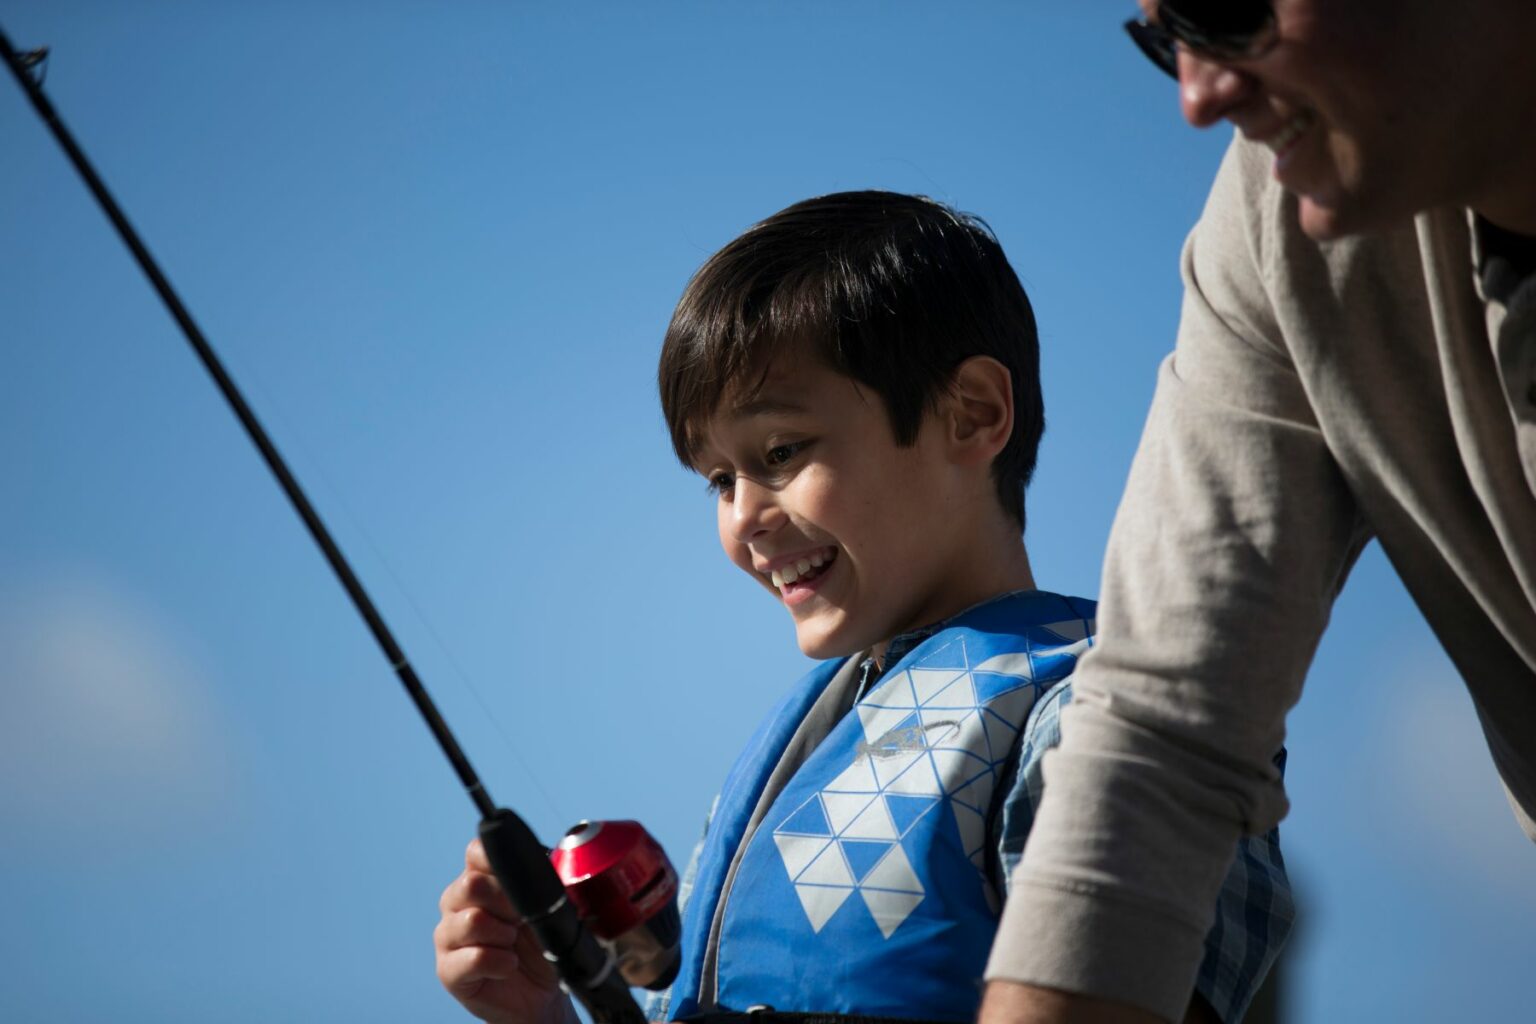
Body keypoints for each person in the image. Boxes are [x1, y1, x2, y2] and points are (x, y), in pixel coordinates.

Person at [434, 192, 1293, 1024]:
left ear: (973, 415)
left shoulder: (1106, 708)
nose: (744, 520)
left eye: (781, 451)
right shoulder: (784, 762)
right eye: (720, 480)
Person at [979, 2, 1536, 1022]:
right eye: (1163, 43)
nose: (1199, 98)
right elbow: (1159, 738)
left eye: (1228, 11)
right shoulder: (1274, 228)